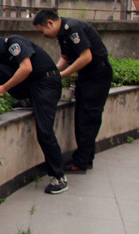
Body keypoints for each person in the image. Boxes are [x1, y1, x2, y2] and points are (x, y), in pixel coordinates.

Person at [0, 28, 67, 194]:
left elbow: (26, 68)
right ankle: (29, 100)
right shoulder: (2, 55)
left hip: (47, 84)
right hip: (35, 86)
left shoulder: (14, 43)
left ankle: (59, 177)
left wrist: (4, 88)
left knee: (44, 131)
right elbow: (2, 76)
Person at [32, 9, 112, 173]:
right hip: (88, 75)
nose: (43, 36)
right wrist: (51, 73)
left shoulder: (73, 28)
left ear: (50, 23)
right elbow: (66, 58)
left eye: (42, 31)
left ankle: (81, 162)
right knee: (83, 116)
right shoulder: (62, 33)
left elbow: (86, 57)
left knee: (88, 118)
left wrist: (61, 75)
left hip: (97, 75)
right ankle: (84, 159)